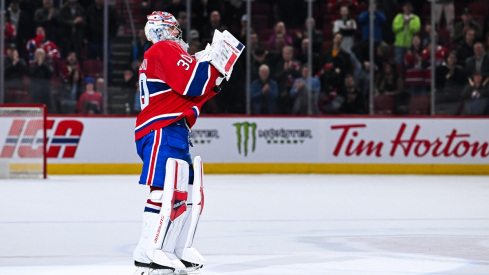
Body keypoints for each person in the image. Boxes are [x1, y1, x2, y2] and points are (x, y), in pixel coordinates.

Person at [132, 11, 229, 275]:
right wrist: (212, 65)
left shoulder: (164, 52)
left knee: (183, 192)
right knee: (163, 190)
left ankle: (172, 248)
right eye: (174, 29)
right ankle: (148, 250)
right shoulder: (163, 49)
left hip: (173, 127)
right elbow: (192, 82)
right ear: (161, 31)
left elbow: (193, 93)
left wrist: (215, 78)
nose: (178, 34)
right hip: (160, 127)